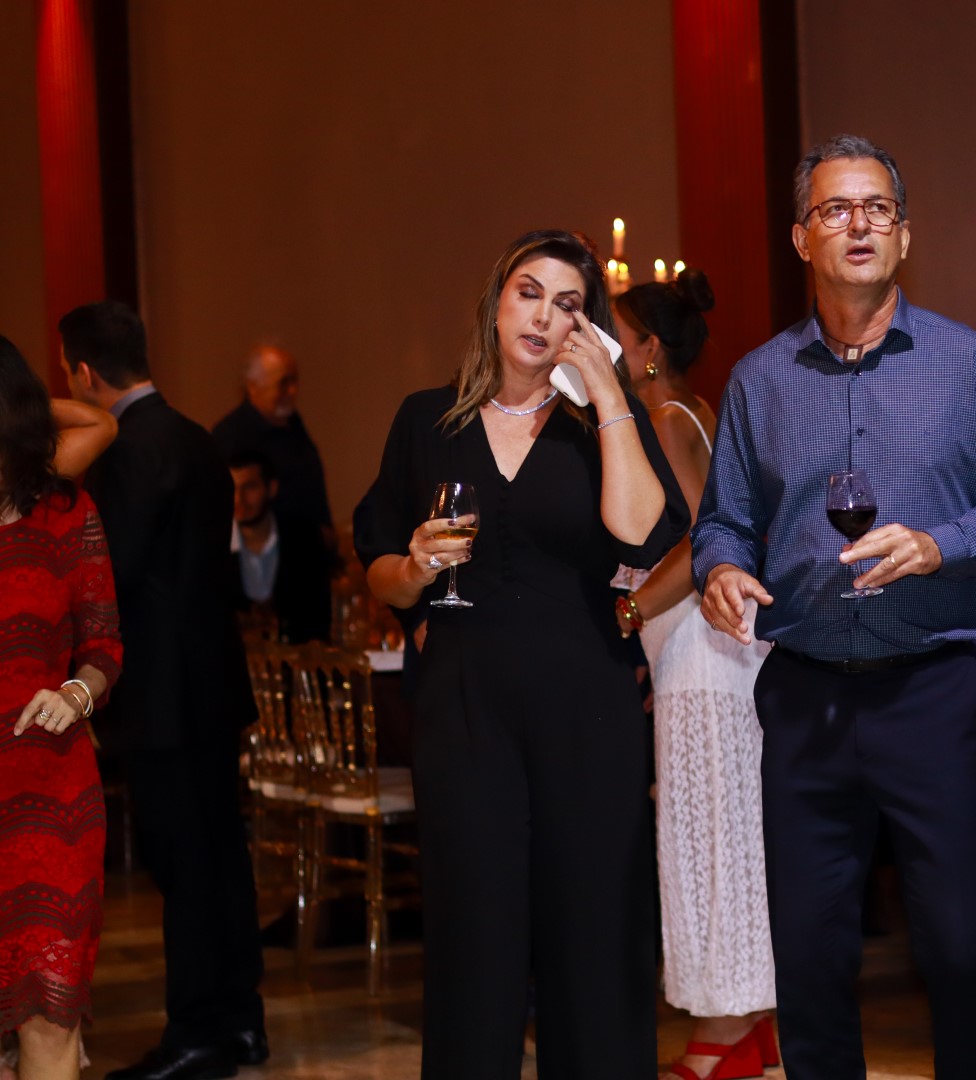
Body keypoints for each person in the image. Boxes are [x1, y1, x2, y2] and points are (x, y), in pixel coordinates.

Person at [692, 134, 976, 1080]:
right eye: (836, 210)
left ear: (904, 235)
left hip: (930, 692)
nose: (859, 225)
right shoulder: (759, 380)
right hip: (804, 697)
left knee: (963, 945)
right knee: (811, 960)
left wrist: (939, 545)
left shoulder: (966, 363)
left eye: (877, 209)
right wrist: (720, 569)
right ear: (802, 237)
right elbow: (724, 519)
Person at [354, 229, 687, 1080]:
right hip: (465, 707)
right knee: (474, 940)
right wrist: (416, 565)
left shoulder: (599, 427)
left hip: (588, 706)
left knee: (594, 935)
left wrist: (607, 392)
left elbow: (642, 533)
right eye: (528, 293)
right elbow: (381, 570)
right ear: (496, 305)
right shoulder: (426, 420)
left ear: (589, 327)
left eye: (567, 304)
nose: (543, 317)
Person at [60, 301, 267, 1080]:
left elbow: (110, 573)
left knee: (185, 869)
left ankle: (195, 1034)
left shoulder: (129, 448)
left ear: (84, 372)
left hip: (163, 696)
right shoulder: (194, 436)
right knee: (221, 861)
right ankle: (240, 1022)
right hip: (209, 685)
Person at [610, 271, 777, 1080]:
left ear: (648, 349)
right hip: (720, 652)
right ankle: (749, 1023)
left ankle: (721, 1032)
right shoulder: (698, 411)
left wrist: (630, 609)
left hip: (700, 653)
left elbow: (706, 539)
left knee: (707, 838)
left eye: (615, 336)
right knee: (729, 834)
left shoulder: (665, 420)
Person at [0, 337, 121, 1080]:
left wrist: (76, 694)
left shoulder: (66, 512)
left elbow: (104, 645)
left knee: (50, 1015)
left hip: (53, 797)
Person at [212, 344, 333, 540]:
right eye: (283, 383)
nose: (292, 391)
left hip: (308, 546)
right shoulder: (230, 436)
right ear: (253, 387)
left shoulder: (294, 426)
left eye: (294, 381)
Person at [227, 450, 332, 643]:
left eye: (249, 487)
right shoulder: (211, 544)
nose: (239, 498)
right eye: (232, 488)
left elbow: (319, 615)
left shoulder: (304, 538)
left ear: (271, 488)